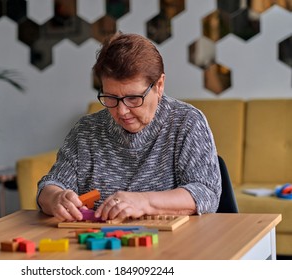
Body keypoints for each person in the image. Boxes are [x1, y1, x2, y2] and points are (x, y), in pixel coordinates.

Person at [37, 32, 221, 222]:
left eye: (133, 98)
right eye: (110, 97)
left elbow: (206, 193)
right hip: (99, 244)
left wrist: (144, 202)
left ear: (159, 85)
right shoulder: (86, 131)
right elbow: (50, 186)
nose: (122, 111)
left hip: (170, 245)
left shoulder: (186, 122)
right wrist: (56, 198)